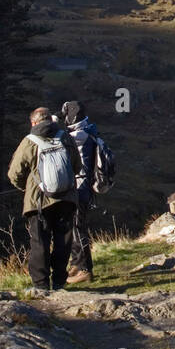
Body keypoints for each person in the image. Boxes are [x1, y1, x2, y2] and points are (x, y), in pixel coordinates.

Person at [7, 106, 83, 292]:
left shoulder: (29, 141)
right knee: (63, 241)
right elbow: (77, 166)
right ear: (51, 119)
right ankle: (58, 282)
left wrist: (28, 187)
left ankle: (41, 285)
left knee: (39, 241)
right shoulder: (65, 137)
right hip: (66, 199)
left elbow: (14, 173)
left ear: (33, 122)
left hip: (38, 201)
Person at [60, 100, 102, 284]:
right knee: (75, 226)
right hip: (85, 187)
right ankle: (77, 264)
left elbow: (63, 140)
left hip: (79, 188)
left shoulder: (79, 135)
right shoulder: (89, 131)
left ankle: (85, 269)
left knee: (77, 228)